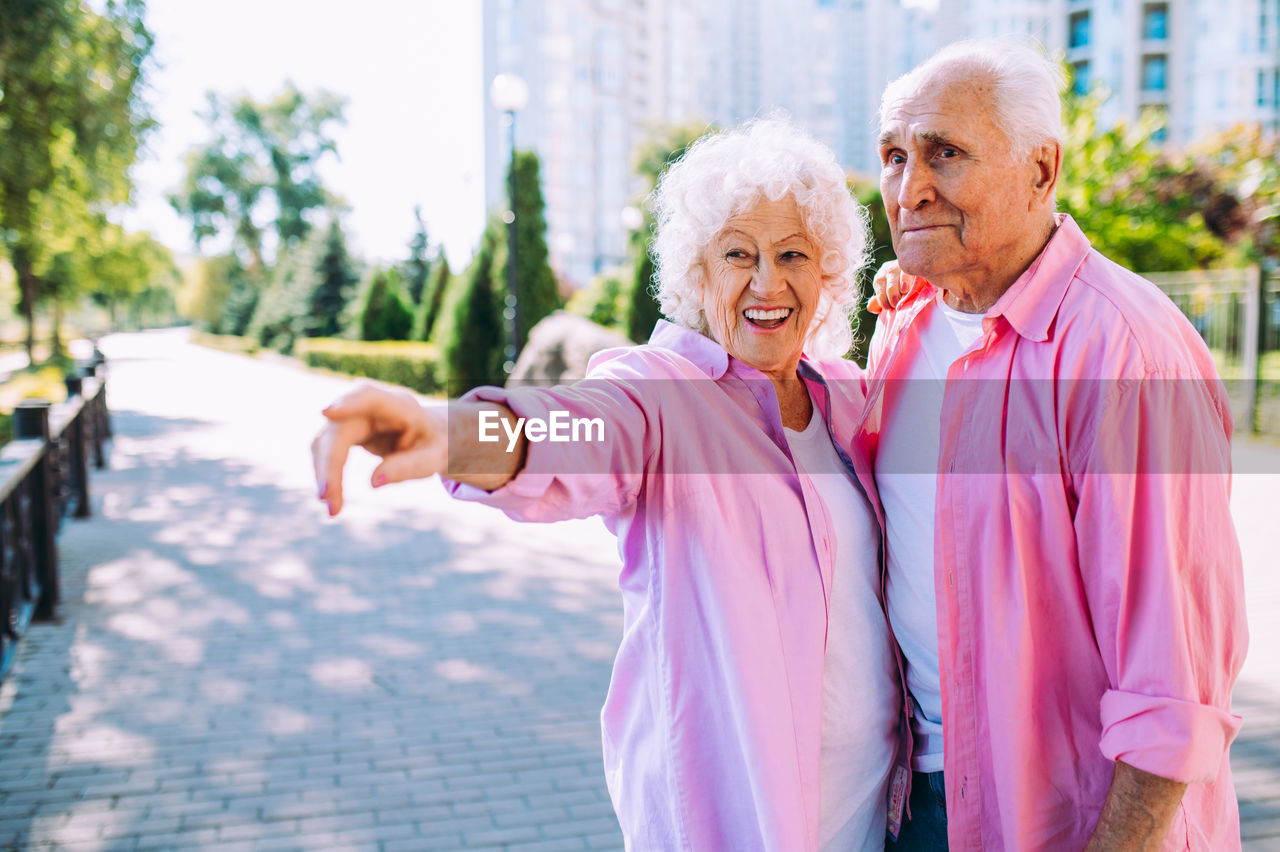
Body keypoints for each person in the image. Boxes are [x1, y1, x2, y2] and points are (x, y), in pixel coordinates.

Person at [313, 118, 905, 850]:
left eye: (792, 255)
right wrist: (453, 436)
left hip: (875, 819)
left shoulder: (849, 399)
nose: (766, 282)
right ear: (699, 274)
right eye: (737, 255)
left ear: (828, 272)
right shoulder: (662, 398)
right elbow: (576, 431)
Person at [865, 39, 1248, 850]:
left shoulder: (1125, 353)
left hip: (1073, 823)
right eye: (894, 155)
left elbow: (1172, 689)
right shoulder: (905, 324)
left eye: (946, 153)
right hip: (920, 798)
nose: (910, 187)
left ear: (1041, 171)